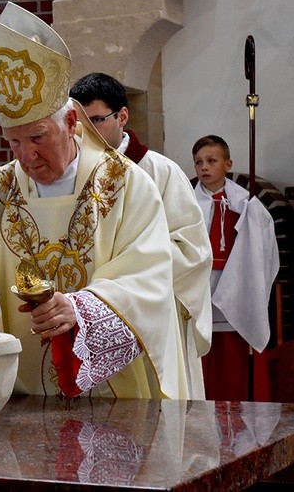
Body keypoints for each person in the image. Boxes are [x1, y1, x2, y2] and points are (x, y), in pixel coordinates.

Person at [0, 2, 186, 399]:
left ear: (71, 123)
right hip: (21, 398)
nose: (26, 156)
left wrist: (81, 309)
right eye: (14, 142)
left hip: (116, 399)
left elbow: (149, 280)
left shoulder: (126, 186)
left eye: (37, 137)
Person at [69, 72, 213, 399]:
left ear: (122, 116)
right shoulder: (73, 177)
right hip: (95, 318)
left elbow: (193, 253)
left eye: (97, 120)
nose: (86, 132)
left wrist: (130, 273)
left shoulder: (161, 173)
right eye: (78, 123)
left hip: (151, 316)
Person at [192, 135, 279, 401]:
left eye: (211, 160)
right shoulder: (187, 202)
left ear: (227, 163)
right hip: (202, 289)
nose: (204, 167)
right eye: (198, 162)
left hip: (237, 288)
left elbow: (264, 249)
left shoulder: (248, 203)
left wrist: (251, 220)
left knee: (235, 358)